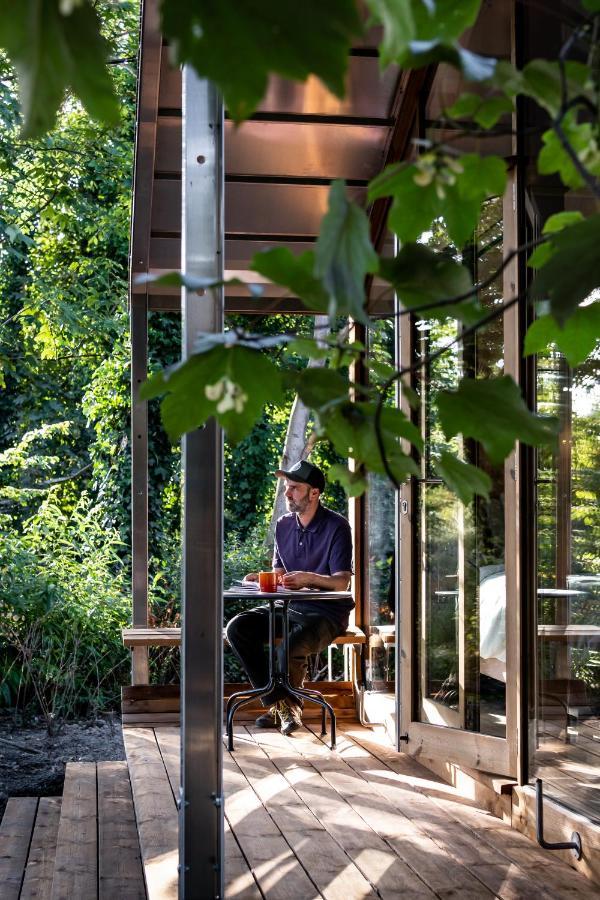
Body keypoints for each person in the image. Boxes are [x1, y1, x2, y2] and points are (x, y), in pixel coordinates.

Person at [225, 459, 353, 736]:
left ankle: (286, 709)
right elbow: (279, 573)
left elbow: (342, 581)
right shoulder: (283, 525)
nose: (287, 493)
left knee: (291, 646)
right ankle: (280, 706)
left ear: (314, 493)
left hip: (327, 614)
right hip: (288, 608)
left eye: (294, 487)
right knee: (238, 628)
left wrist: (309, 578)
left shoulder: (337, 526)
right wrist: (260, 578)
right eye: (286, 487)